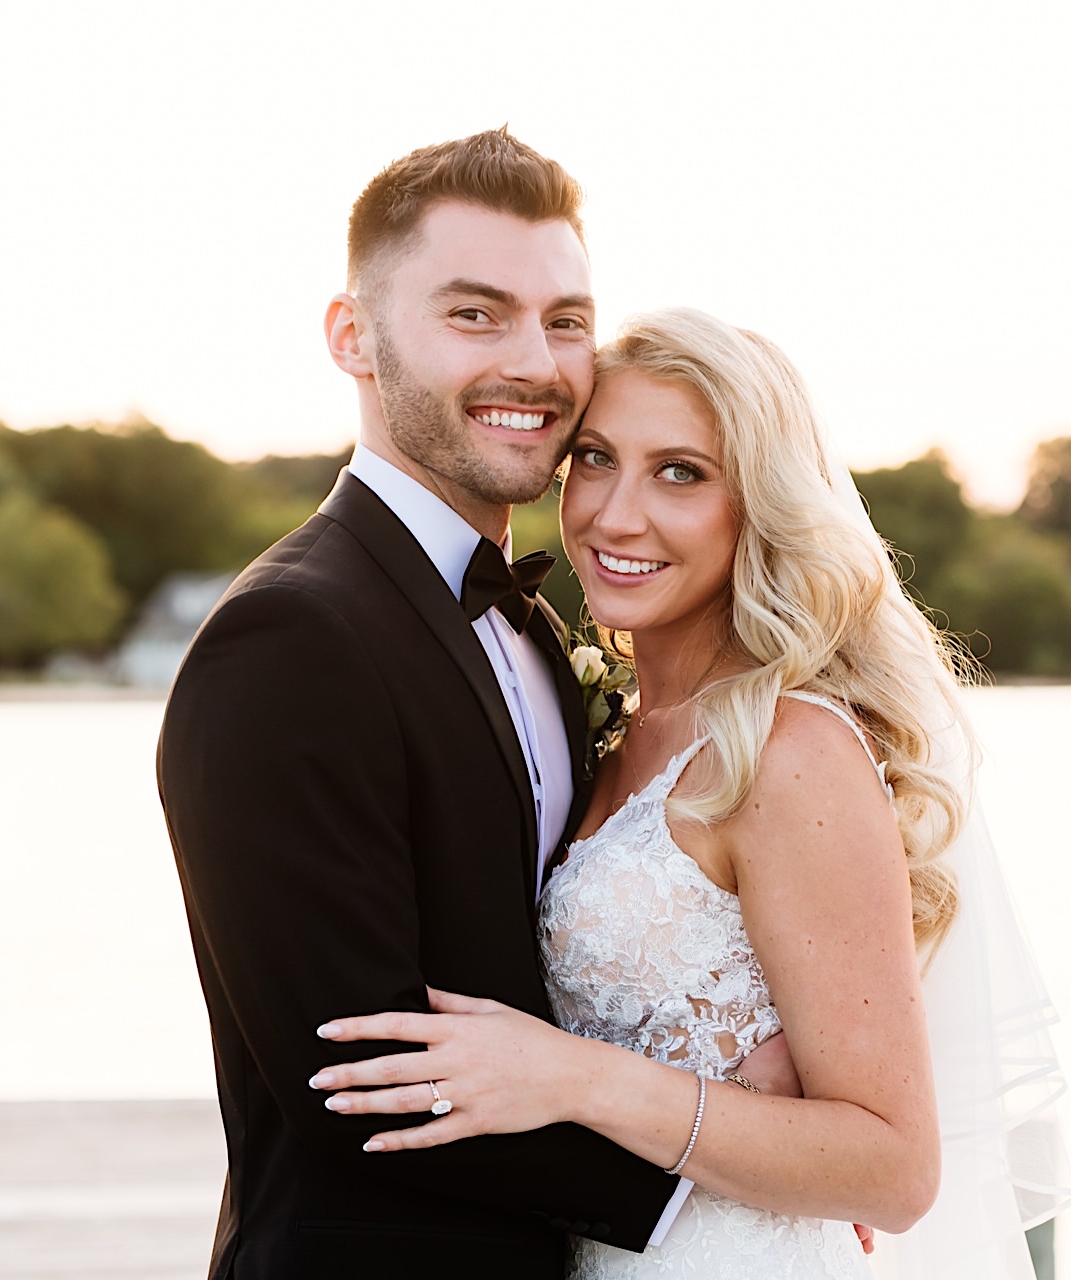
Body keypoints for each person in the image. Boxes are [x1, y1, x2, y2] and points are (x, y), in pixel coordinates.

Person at [308, 309, 1071, 1277]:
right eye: (594, 458)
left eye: (681, 471)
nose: (616, 513)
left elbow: (893, 1165)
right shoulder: (611, 722)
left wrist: (578, 1077)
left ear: (758, 503)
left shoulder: (790, 749)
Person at [159, 131, 795, 1276]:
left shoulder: (544, 634)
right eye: (474, 314)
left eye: (564, 319)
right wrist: (729, 1155)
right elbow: (362, 1084)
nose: (536, 362)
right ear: (353, 338)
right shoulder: (286, 639)